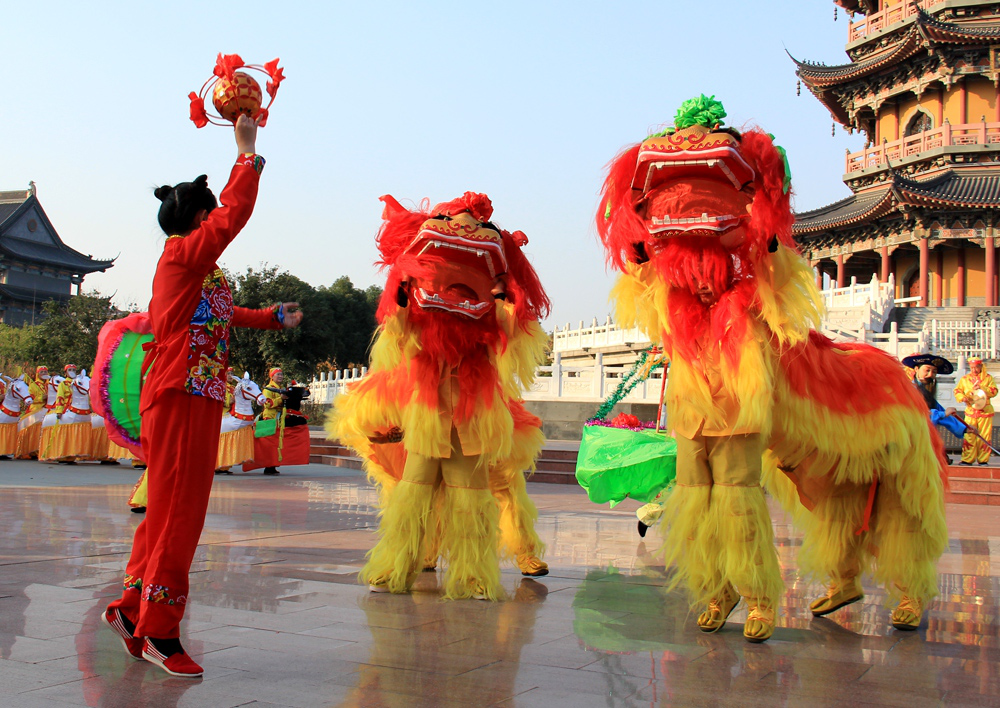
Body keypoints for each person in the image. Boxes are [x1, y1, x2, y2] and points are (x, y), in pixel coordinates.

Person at [101, 114, 302, 678]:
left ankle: (132, 608)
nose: (216, 221)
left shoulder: (198, 271)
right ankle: (160, 631)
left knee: (169, 508)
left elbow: (224, 313)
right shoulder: (182, 254)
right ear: (198, 218)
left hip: (194, 393)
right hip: (181, 391)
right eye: (210, 215)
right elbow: (234, 215)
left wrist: (271, 317)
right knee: (181, 511)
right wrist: (247, 153)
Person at [953, 356, 997, 465]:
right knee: (969, 435)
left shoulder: (988, 378)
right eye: (972, 367)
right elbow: (957, 390)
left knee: (984, 436)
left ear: (981, 366)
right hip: (971, 411)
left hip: (985, 411)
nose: (974, 370)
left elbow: (994, 391)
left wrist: (982, 388)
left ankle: (983, 460)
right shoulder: (965, 379)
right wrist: (962, 397)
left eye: (976, 367)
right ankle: (967, 459)